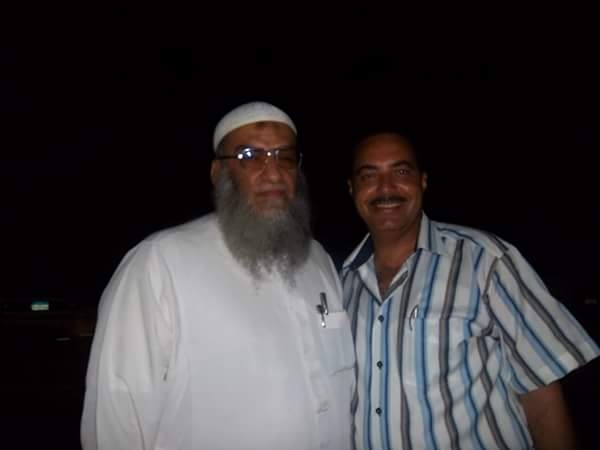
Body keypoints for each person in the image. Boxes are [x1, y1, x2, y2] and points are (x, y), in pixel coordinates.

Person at [81, 101, 355, 450]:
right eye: (249, 156)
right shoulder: (161, 263)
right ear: (218, 172)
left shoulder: (318, 260)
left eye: (284, 157)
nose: (273, 172)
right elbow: (117, 421)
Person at [341, 131, 599, 450]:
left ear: (423, 181)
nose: (385, 187)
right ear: (352, 189)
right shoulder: (341, 284)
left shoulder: (486, 261)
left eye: (401, 171)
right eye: (368, 175)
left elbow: (542, 396)